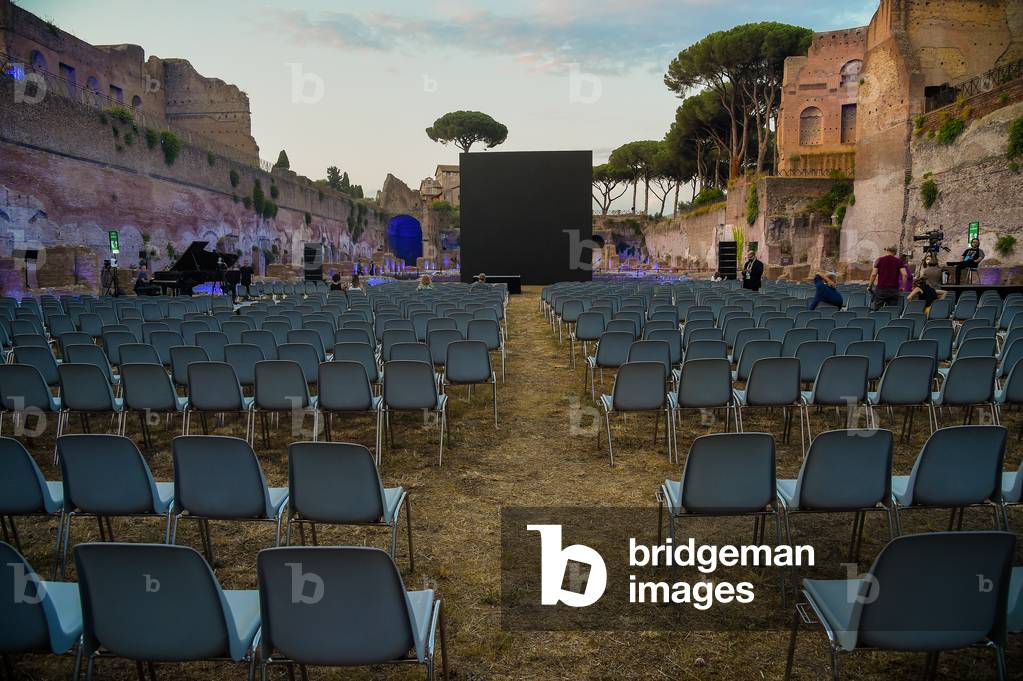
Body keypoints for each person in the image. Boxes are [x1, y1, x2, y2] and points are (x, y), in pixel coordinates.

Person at [869, 245, 910, 309]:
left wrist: (870, 285)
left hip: (881, 288)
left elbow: (874, 274)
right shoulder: (899, 261)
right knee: (892, 310)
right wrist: (903, 287)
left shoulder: (879, 260)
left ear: (886, 251)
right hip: (894, 289)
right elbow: (904, 274)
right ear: (895, 252)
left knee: (878, 310)